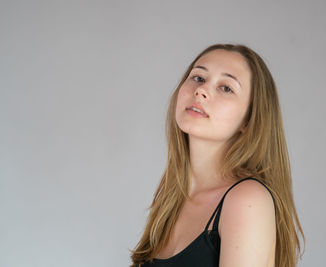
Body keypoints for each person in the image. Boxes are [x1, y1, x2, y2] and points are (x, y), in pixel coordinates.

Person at [129, 43, 305, 267]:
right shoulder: (172, 199)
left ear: (248, 121)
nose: (200, 90)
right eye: (198, 78)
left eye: (226, 88)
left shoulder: (247, 200)